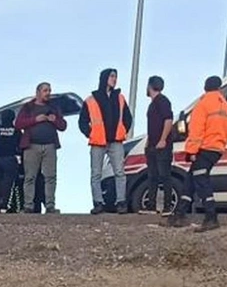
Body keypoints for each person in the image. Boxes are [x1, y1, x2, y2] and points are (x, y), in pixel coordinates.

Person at [173, 76, 227, 232]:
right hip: (217, 148)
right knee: (190, 179)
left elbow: (196, 130)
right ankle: (179, 214)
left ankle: (211, 216)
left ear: (205, 88)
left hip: (204, 148)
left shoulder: (203, 105)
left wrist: (191, 151)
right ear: (220, 88)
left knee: (201, 180)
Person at [80, 68, 134, 214]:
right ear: (104, 78)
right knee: (96, 174)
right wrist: (90, 134)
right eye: (112, 76)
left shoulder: (120, 98)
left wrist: (123, 130)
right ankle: (98, 203)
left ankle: (121, 202)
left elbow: (128, 118)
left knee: (120, 172)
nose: (114, 79)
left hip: (116, 141)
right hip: (97, 142)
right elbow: (82, 121)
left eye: (115, 76)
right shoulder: (91, 99)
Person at [15, 82, 67, 214]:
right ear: (38, 92)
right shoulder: (28, 107)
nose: (48, 93)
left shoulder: (53, 107)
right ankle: (28, 206)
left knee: (50, 177)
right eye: (45, 90)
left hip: (50, 146)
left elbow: (63, 126)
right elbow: (18, 124)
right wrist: (35, 120)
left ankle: (50, 206)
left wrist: (54, 120)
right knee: (30, 177)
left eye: (49, 90)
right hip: (31, 146)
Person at [144, 76, 174, 215]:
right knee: (152, 176)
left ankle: (167, 206)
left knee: (164, 175)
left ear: (150, 86)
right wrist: (149, 142)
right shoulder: (153, 103)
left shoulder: (163, 101)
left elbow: (168, 120)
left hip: (162, 146)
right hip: (152, 146)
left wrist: (163, 140)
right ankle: (151, 205)